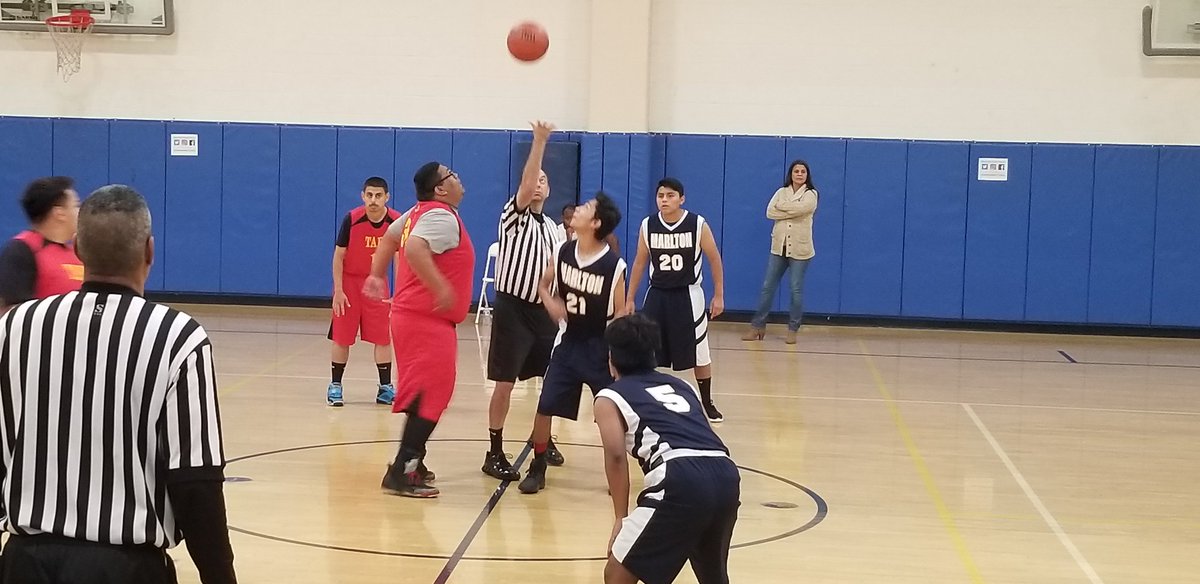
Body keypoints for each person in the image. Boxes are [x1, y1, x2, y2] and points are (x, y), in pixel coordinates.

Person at [0, 185, 237, 583]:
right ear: (149, 251)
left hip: (25, 563)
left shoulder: (13, 328)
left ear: (77, 249)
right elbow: (196, 481)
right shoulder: (179, 338)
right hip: (128, 567)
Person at [595, 313, 740, 584]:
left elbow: (615, 455)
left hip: (680, 475)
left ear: (611, 358)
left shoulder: (609, 397)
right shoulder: (682, 385)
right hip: (725, 473)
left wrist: (620, 517)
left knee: (616, 574)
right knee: (713, 576)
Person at [365, 161, 474, 498]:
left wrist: (376, 275)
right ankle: (402, 471)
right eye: (451, 174)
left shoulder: (418, 212)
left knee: (421, 393)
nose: (457, 177)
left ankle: (414, 462)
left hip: (413, 317)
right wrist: (439, 286)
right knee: (432, 395)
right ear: (440, 188)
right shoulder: (441, 216)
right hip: (426, 319)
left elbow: (388, 239)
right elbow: (413, 248)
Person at [519, 192, 626, 495]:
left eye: (585, 208)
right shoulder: (563, 250)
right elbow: (542, 283)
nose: (576, 209)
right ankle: (537, 466)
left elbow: (619, 313)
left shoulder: (613, 265)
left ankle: (618, 472)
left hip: (600, 345)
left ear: (595, 223)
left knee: (612, 414)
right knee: (544, 406)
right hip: (568, 342)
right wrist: (551, 302)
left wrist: (615, 356)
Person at [483, 121, 565, 481]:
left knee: (551, 381)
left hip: (542, 313)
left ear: (550, 190)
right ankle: (495, 449)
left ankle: (542, 439)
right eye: (533, 181)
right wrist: (540, 141)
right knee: (505, 382)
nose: (537, 185)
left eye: (544, 181)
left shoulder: (553, 228)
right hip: (513, 309)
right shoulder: (512, 217)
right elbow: (528, 183)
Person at [625, 178, 727, 423]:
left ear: (682, 199)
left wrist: (719, 294)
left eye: (670, 196)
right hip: (657, 293)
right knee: (647, 350)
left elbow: (714, 258)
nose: (664, 200)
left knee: (699, 352)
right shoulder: (648, 225)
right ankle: (646, 400)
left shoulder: (697, 224)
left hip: (688, 294)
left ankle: (707, 402)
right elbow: (640, 262)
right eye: (660, 195)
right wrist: (629, 298)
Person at [327, 176, 401, 407]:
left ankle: (385, 388)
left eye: (378, 196)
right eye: (369, 195)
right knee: (342, 336)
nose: (373, 200)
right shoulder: (352, 219)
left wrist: (398, 293)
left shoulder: (396, 221)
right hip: (350, 284)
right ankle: (335, 386)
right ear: (363, 196)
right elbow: (338, 256)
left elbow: (400, 257)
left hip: (378, 285)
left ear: (387, 197)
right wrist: (338, 290)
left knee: (382, 336)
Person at [743, 160, 817, 344]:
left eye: (803, 171)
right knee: (767, 287)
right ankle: (757, 326)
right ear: (790, 174)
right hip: (778, 247)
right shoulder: (780, 192)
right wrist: (791, 211)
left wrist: (782, 207)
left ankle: (793, 328)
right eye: (796, 171)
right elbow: (769, 212)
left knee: (795, 289)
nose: (799, 174)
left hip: (800, 250)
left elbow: (804, 209)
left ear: (807, 175)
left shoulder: (811, 194)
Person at [0, 176, 84, 312]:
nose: (80, 211)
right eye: (76, 205)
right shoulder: (21, 250)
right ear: (59, 213)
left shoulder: (79, 253)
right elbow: (9, 312)